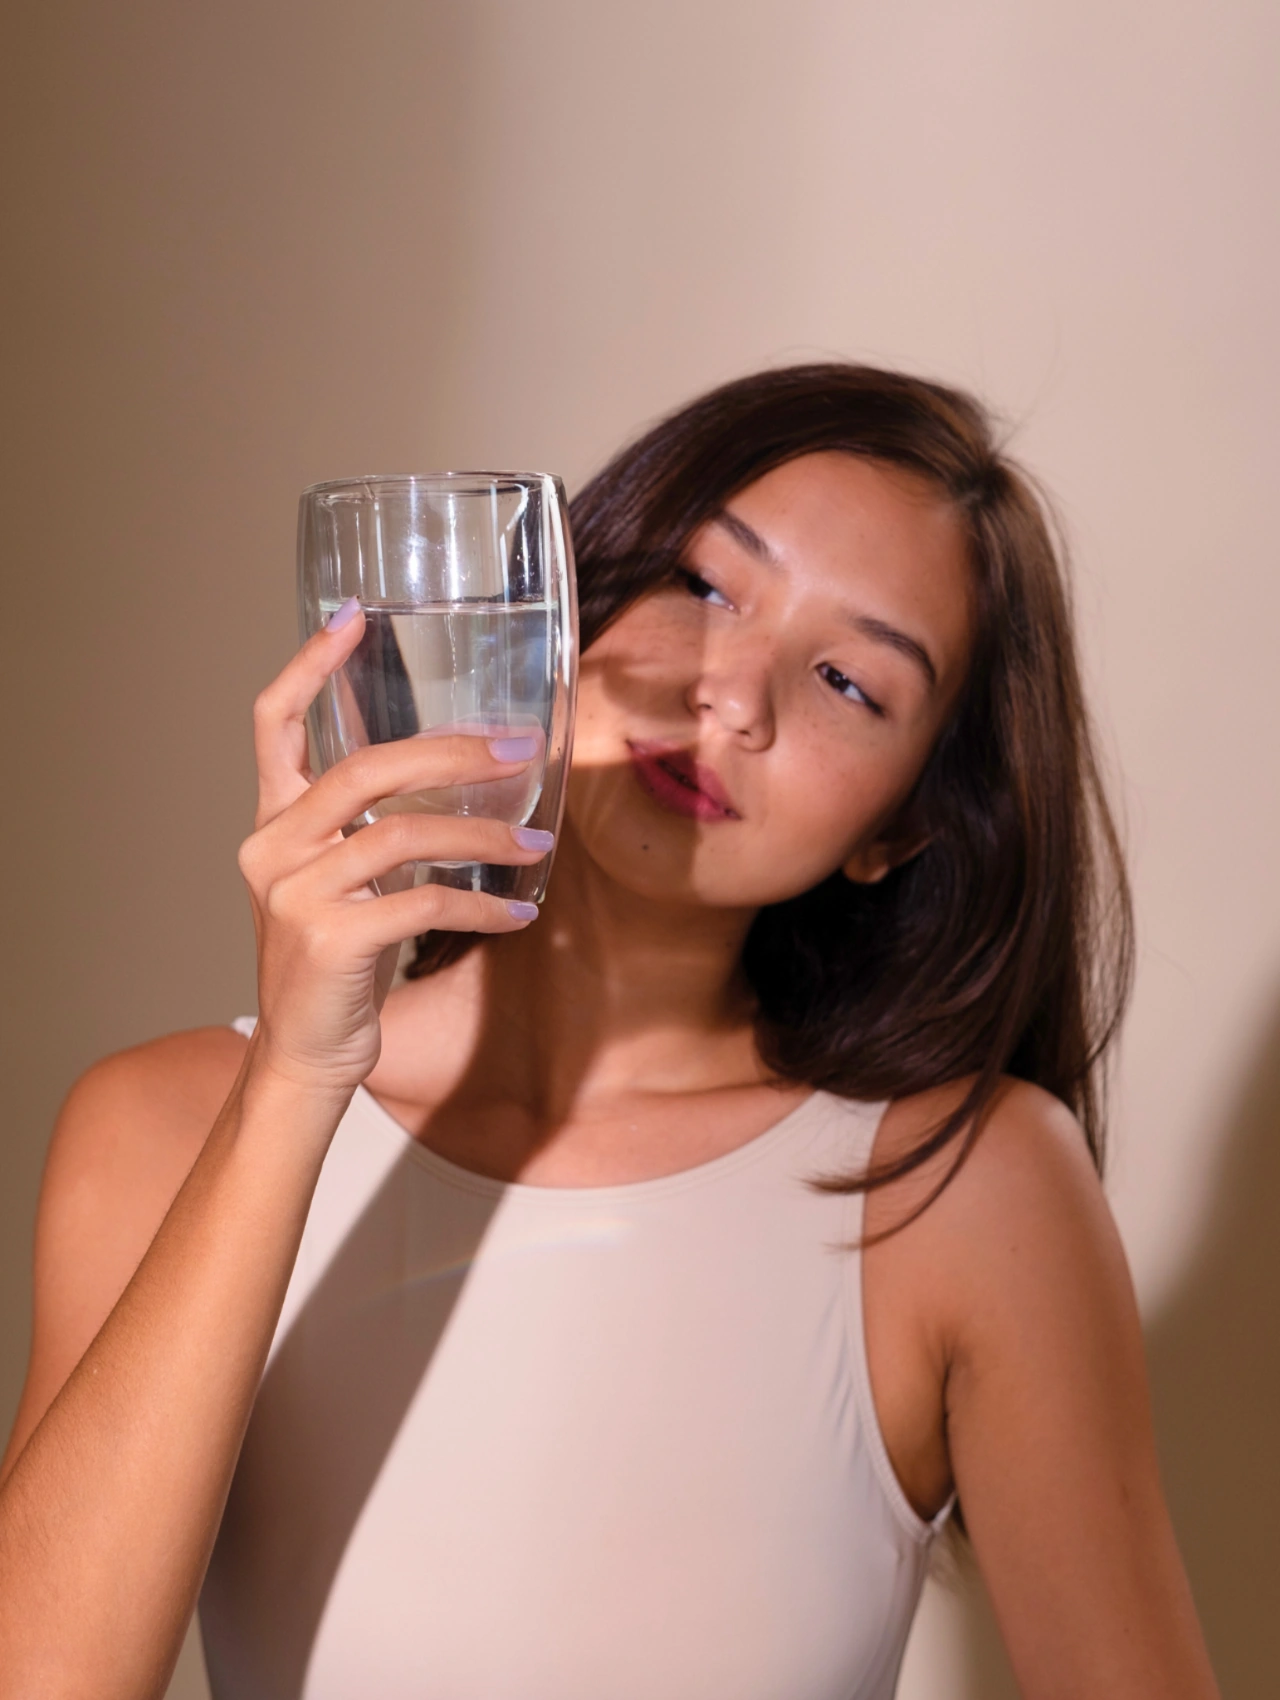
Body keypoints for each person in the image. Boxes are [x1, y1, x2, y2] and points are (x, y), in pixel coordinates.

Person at [0, 365, 1220, 1699]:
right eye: (702, 586)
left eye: (847, 684)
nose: (732, 696)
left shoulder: (965, 1191)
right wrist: (298, 1078)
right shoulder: (159, 1126)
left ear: (902, 829)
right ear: (562, 605)